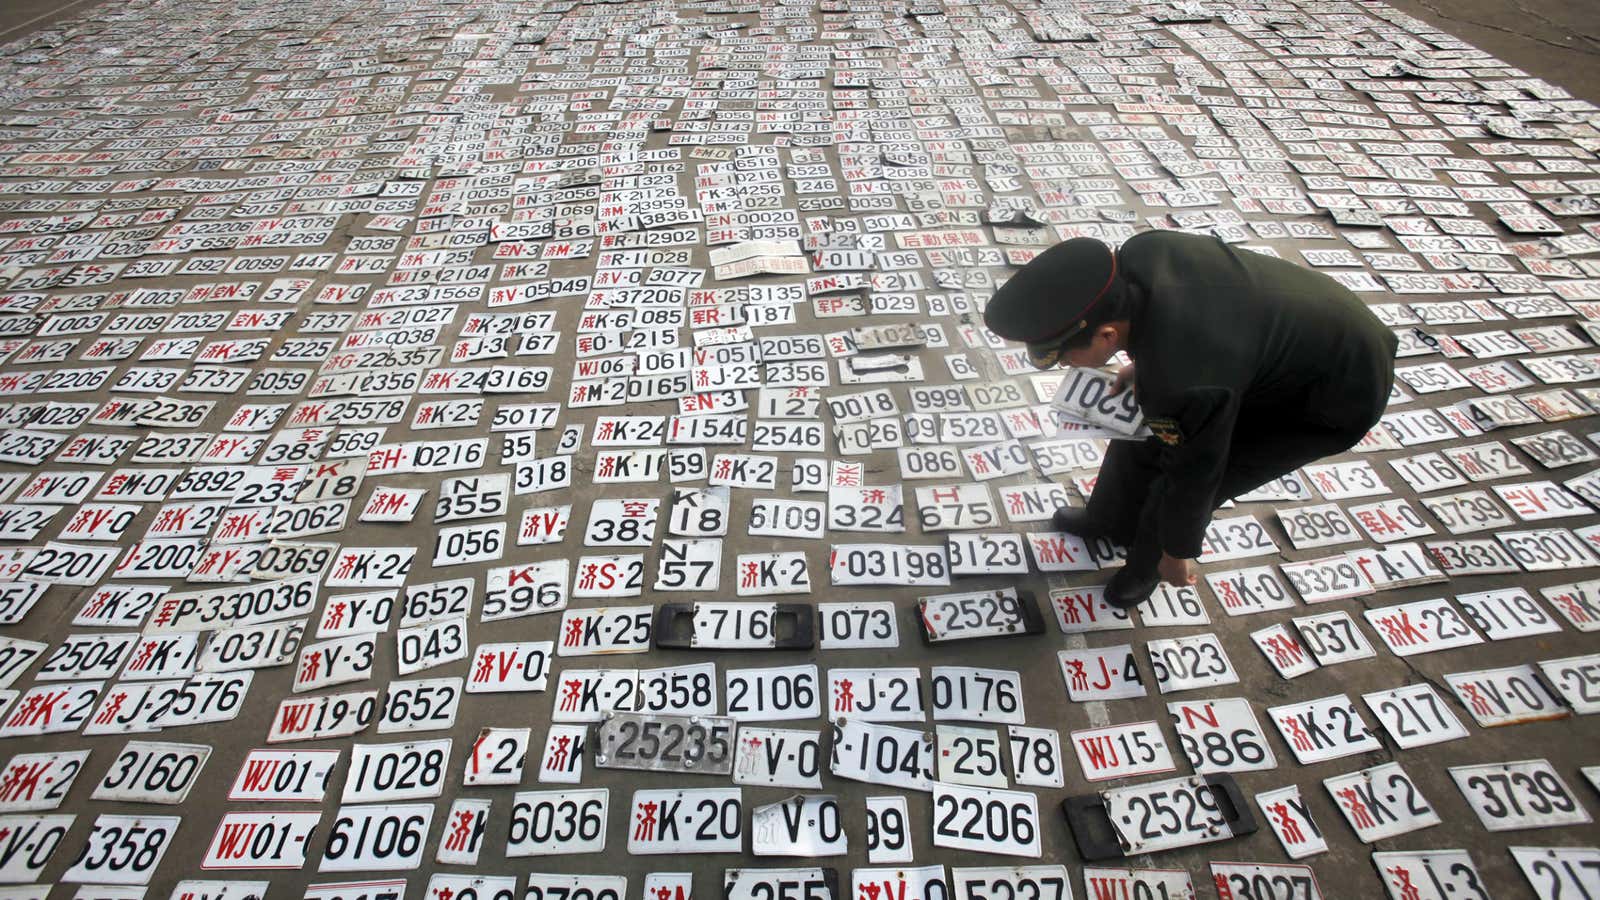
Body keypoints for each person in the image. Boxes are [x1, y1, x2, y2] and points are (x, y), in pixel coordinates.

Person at [983, 231, 1398, 608]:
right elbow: (1175, 322)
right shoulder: (1142, 254)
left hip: (1327, 395)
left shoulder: (1185, 380)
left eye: (1065, 356)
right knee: (1141, 429)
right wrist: (1147, 363)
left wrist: (1177, 551)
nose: (1067, 365)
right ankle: (1107, 520)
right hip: (1267, 345)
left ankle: (1143, 567)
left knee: (1192, 469)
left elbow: (1196, 473)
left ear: (1108, 335)